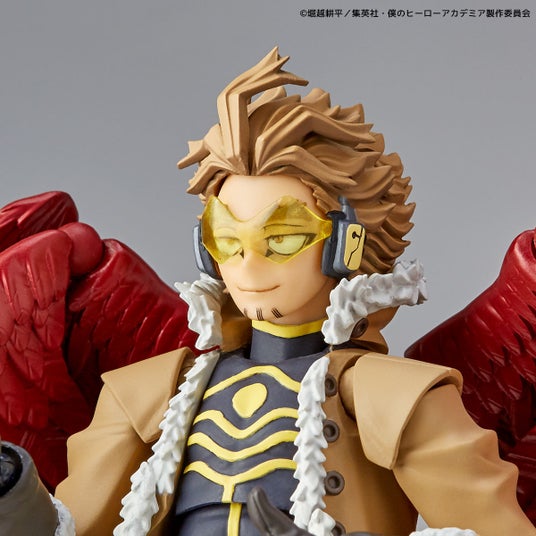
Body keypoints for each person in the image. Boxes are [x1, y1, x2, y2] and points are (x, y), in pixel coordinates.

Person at [1, 48, 534, 536]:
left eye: (281, 238)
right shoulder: (149, 392)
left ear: (346, 244)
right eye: (227, 239)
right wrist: (14, 492)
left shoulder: (396, 397)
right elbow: (69, 531)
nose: (248, 264)